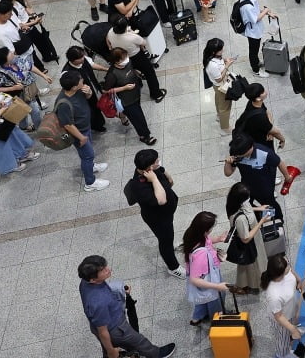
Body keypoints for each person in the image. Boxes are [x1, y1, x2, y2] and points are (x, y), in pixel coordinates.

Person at [77, 254, 177, 358]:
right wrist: (111, 351)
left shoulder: (85, 282)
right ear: (93, 279)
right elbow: (103, 332)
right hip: (116, 329)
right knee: (139, 341)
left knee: (109, 347)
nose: (108, 270)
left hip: (101, 323)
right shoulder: (99, 302)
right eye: (103, 270)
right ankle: (157, 354)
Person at [123, 148, 183, 278]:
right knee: (165, 242)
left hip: (166, 213)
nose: (159, 162)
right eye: (156, 161)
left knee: (168, 237)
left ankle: (171, 245)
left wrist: (162, 171)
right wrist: (155, 180)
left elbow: (170, 182)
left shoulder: (152, 171)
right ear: (149, 167)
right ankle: (173, 267)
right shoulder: (138, 186)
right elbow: (161, 200)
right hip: (158, 219)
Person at [181, 210, 229, 325]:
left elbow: (207, 241)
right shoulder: (200, 254)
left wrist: (218, 239)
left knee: (201, 299)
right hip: (208, 278)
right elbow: (195, 279)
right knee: (214, 299)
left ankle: (197, 318)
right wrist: (217, 286)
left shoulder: (192, 234)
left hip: (206, 274)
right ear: (205, 230)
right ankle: (217, 320)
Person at [226, 182, 270, 294]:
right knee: (250, 266)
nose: (248, 200)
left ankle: (243, 284)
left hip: (254, 240)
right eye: (247, 198)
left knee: (247, 266)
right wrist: (261, 221)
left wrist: (259, 208)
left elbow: (247, 208)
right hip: (250, 244)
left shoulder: (234, 203)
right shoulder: (240, 219)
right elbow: (245, 238)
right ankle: (247, 285)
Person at [261, 254, 304, 358]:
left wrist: (299, 280)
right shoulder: (274, 294)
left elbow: (291, 270)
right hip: (283, 319)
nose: (289, 267)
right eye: (287, 267)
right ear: (279, 274)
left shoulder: (284, 268)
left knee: (290, 327)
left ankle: (291, 332)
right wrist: (293, 329)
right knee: (283, 341)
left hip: (290, 310)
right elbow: (279, 316)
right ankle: (282, 354)